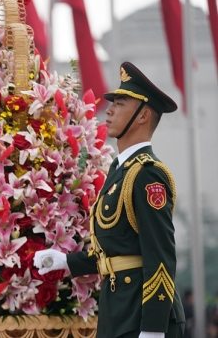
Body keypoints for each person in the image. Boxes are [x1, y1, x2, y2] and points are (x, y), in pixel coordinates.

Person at [34, 62, 185, 338]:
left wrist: (153, 328)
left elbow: (160, 256)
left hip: (141, 316)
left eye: (121, 103)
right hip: (118, 312)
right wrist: (67, 262)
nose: (111, 110)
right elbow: (119, 249)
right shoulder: (120, 171)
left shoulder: (147, 175)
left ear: (143, 115)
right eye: (112, 102)